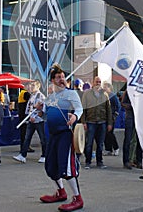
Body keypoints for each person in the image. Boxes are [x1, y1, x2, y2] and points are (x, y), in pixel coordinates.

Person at [39, 64, 84, 212]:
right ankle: (61, 192)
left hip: (65, 134)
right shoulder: (50, 97)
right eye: (58, 77)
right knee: (51, 166)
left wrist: (74, 116)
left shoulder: (70, 94)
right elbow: (45, 115)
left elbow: (79, 108)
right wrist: (40, 110)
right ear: (52, 80)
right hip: (52, 135)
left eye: (63, 77)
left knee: (66, 167)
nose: (61, 79)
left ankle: (78, 198)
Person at [81, 76, 112, 169]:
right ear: (93, 82)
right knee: (89, 143)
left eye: (99, 82)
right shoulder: (87, 94)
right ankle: (88, 162)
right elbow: (83, 109)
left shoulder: (105, 94)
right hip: (90, 122)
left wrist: (109, 123)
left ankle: (100, 162)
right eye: (96, 81)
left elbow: (109, 110)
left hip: (102, 122)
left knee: (100, 144)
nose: (98, 83)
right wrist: (84, 122)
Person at [13, 80, 46, 163]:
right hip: (31, 120)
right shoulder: (32, 96)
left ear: (38, 87)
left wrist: (36, 115)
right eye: (31, 85)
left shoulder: (41, 96)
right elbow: (30, 108)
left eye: (33, 85)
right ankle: (23, 155)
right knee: (27, 138)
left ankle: (44, 155)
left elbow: (42, 108)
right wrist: (29, 117)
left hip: (39, 121)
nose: (31, 87)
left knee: (42, 139)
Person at [121, 89, 142, 170]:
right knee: (128, 139)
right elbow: (123, 103)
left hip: (139, 117)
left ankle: (138, 160)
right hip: (130, 116)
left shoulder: (142, 91)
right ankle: (126, 161)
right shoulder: (129, 90)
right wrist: (131, 105)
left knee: (140, 139)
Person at [103, 81, 120, 156]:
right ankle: (108, 149)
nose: (104, 88)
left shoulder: (113, 96)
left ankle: (116, 148)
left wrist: (115, 115)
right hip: (104, 117)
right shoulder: (103, 96)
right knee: (105, 134)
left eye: (105, 87)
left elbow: (118, 106)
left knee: (110, 133)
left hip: (111, 117)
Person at [17, 83, 35, 153]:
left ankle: (24, 147)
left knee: (23, 132)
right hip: (25, 116)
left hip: (21, 115)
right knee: (25, 133)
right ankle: (25, 147)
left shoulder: (21, 93)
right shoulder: (25, 93)